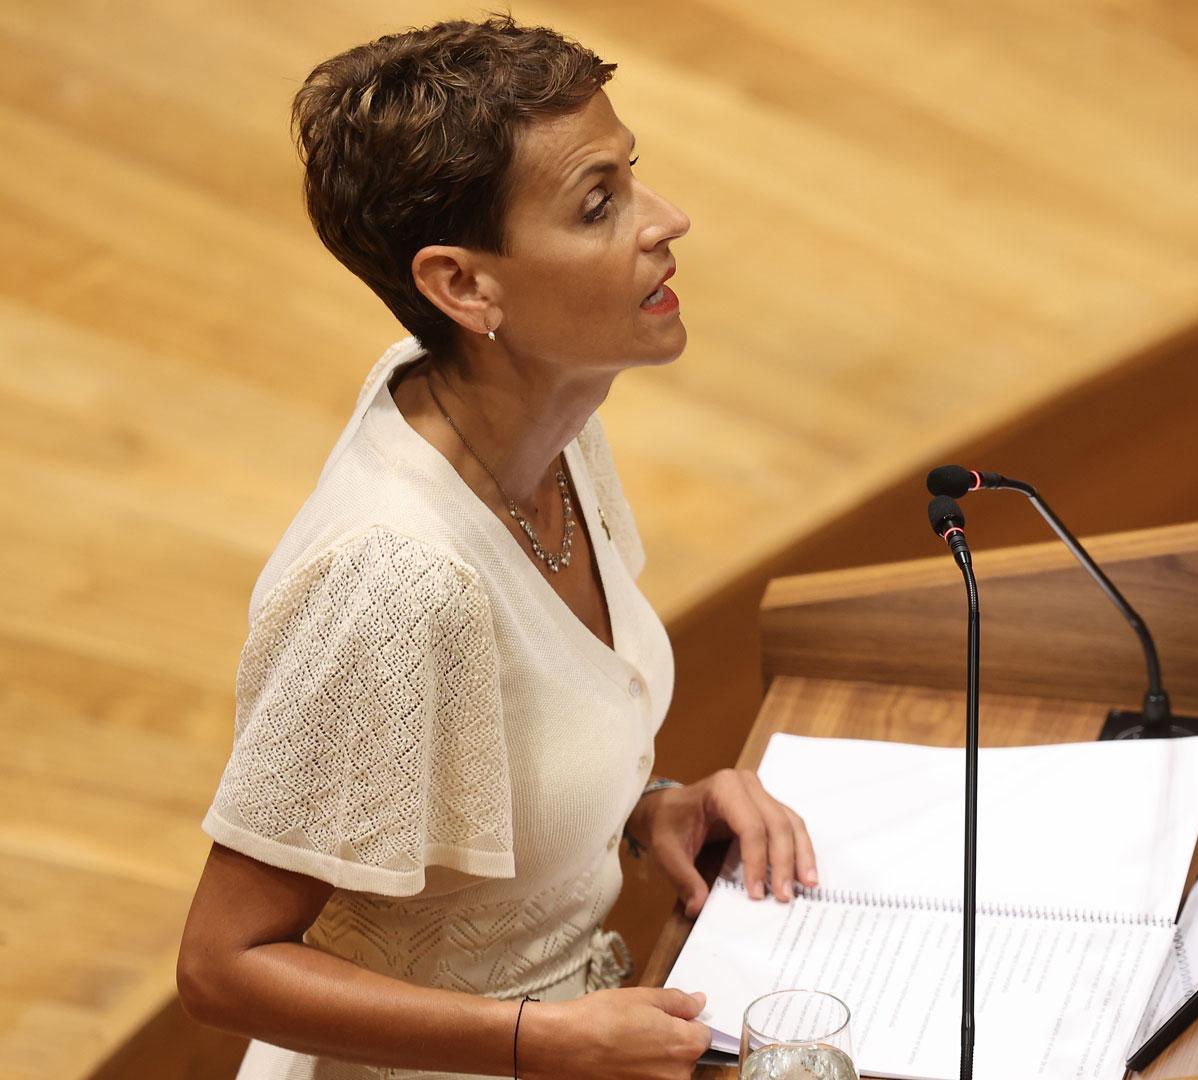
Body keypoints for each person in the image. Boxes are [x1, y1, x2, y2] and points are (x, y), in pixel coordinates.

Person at [174, 15, 815, 1079]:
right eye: (598, 205)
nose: (670, 221)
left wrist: (649, 810)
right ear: (465, 288)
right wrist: (538, 1040)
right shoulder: (394, 582)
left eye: (634, 176)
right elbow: (222, 963)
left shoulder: (544, 413)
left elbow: (491, 769)